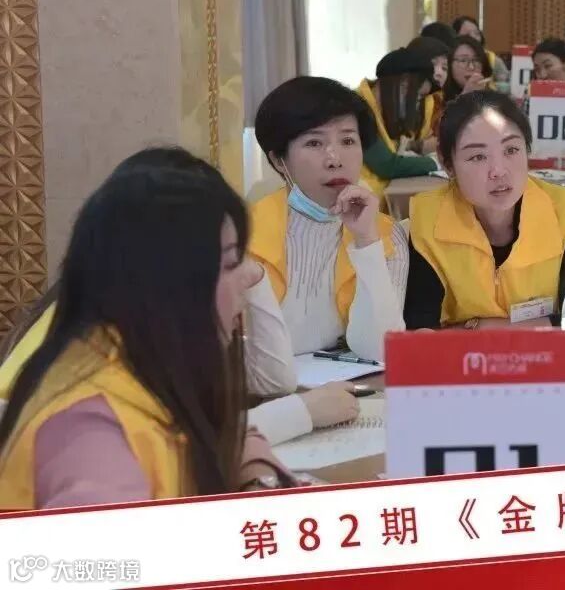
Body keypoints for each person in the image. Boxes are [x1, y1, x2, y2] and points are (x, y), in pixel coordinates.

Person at [0, 147, 361, 447]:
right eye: (227, 259)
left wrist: (256, 279)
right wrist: (301, 413)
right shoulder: (95, 340)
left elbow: (273, 381)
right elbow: (164, 446)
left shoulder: (151, 315)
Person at [0, 157, 296, 507]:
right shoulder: (94, 434)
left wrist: (258, 478)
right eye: (231, 263)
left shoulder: (149, 355)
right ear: (167, 279)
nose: (248, 278)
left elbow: (222, 431)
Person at [404, 90, 565, 329]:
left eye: (511, 150)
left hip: (540, 353)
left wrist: (483, 328)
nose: (498, 171)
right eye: (478, 157)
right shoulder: (427, 219)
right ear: (447, 164)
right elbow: (420, 327)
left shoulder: (564, 212)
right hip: (461, 354)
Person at [252, 77, 407, 363]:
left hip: (346, 387)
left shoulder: (386, 234)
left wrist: (366, 241)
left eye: (348, 140)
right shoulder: (244, 234)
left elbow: (380, 349)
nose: (335, 159)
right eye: (314, 143)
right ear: (278, 160)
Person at [355, 49, 439, 198]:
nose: (417, 105)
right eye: (418, 97)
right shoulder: (356, 109)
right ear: (403, 85)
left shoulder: (381, 111)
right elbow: (385, 165)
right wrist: (436, 163)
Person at [406, 36, 450, 153]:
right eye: (434, 64)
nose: (439, 73)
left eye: (445, 68)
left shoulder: (436, 101)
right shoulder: (395, 97)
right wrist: (419, 146)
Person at [452, 15, 509, 84]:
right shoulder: (449, 60)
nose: (474, 38)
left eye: (476, 33)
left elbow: (506, 84)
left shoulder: (493, 60)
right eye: (467, 35)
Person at [443, 36, 494, 104]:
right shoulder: (435, 100)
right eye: (463, 60)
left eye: (476, 60)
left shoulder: (494, 98)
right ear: (449, 64)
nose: (471, 67)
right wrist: (466, 95)